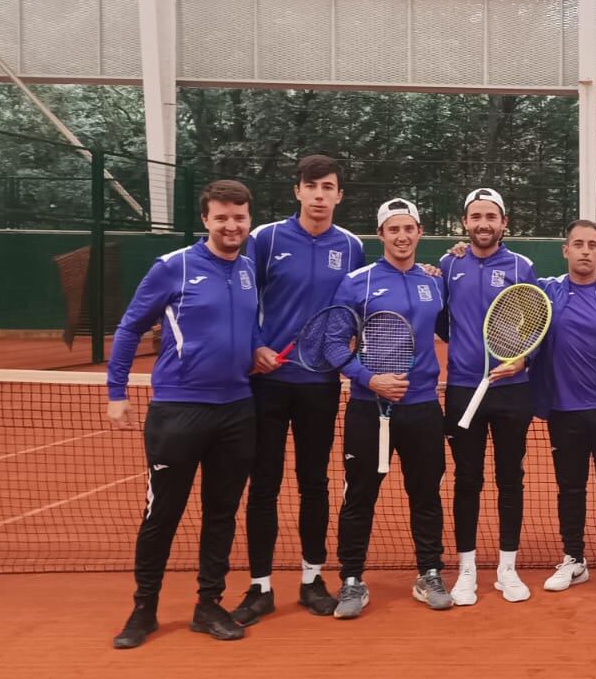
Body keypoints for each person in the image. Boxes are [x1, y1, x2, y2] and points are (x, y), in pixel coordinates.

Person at [107, 180, 260, 649]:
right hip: (178, 411)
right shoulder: (173, 267)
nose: (231, 225)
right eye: (222, 217)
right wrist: (116, 391)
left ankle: (208, 605)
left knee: (222, 513)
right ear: (206, 220)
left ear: (248, 219)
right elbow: (131, 326)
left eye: (239, 217)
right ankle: (144, 609)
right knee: (162, 514)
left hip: (237, 409)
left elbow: (243, 329)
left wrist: (259, 350)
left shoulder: (251, 268)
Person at [230, 155, 365, 626]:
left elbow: (364, 301)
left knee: (314, 483)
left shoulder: (350, 247)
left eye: (329, 187)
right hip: (267, 383)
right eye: (312, 186)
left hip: (320, 384)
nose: (320, 195)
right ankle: (260, 587)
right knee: (263, 485)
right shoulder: (265, 239)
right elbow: (239, 293)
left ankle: (312, 579)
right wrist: (254, 346)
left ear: (339, 195)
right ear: (298, 191)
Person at [328, 198, 451, 619]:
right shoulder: (356, 282)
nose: (402, 236)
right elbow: (331, 345)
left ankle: (429, 572)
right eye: (393, 229)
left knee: (426, 495)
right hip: (368, 409)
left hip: (422, 410)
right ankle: (350, 580)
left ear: (419, 232)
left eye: (409, 228)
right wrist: (369, 378)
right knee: (359, 496)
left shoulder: (434, 282)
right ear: (380, 235)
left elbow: (453, 330)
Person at [439, 188, 538, 605]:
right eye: (476, 216)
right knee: (467, 480)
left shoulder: (522, 265)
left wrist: (523, 360)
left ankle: (507, 569)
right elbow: (442, 321)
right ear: (465, 222)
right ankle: (465, 571)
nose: (484, 224)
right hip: (464, 389)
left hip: (512, 392)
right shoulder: (449, 263)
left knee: (510, 478)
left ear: (504, 223)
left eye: (491, 217)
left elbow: (535, 322)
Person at [532, 220, 596, 593]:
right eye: (578, 244)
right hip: (563, 410)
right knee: (569, 487)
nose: (585, 251)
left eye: (592, 244)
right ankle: (573, 559)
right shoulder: (545, 292)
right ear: (566, 250)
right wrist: (449, 256)